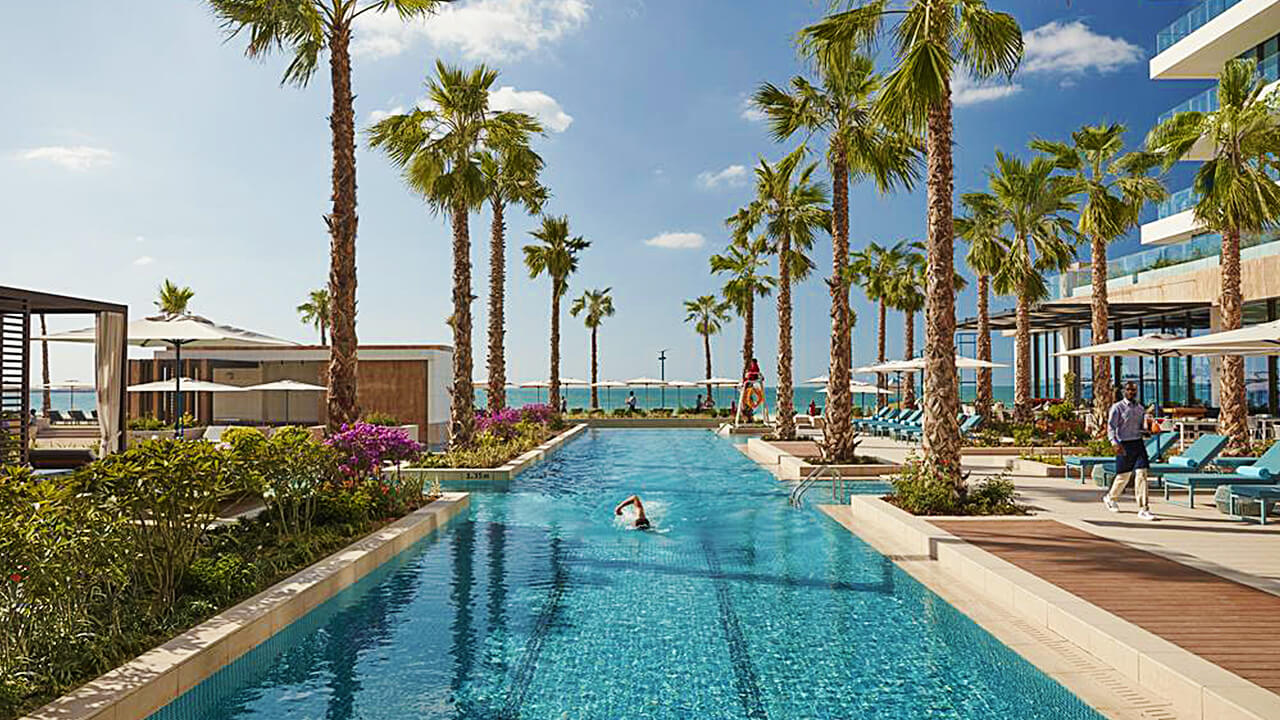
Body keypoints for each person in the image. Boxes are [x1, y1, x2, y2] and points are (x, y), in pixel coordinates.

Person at [1103, 381, 1156, 521]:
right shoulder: (1117, 408)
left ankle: (1143, 509)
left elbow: (1142, 427)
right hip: (1123, 444)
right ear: (1124, 391)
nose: (1132, 392)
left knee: (1142, 474)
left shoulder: (1140, 408)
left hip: (1138, 444)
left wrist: (1149, 430)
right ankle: (1110, 497)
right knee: (1123, 476)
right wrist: (1113, 442)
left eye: (1134, 390)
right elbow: (1111, 427)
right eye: (1129, 390)